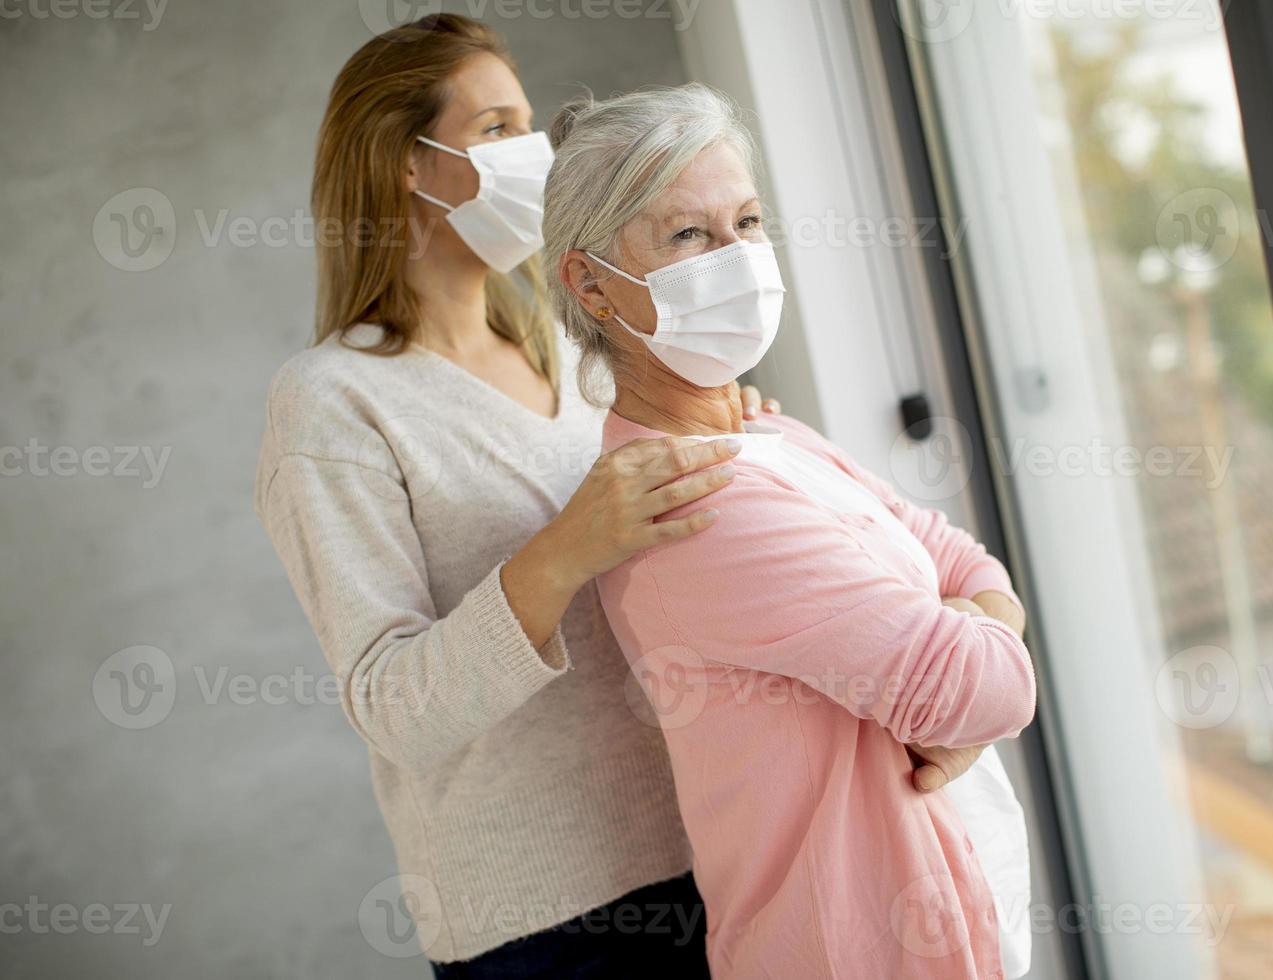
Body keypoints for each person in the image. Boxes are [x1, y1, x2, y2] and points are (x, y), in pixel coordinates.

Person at [254, 15, 978, 978]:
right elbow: (392, 704)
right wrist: (564, 550)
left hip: (723, 856)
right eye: (497, 129)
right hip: (548, 924)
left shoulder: (577, 356)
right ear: (406, 165)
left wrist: (719, 425)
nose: (535, 157)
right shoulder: (332, 405)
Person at [544, 82, 1037, 979]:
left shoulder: (769, 434)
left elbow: (970, 562)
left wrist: (973, 644)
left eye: (747, 222)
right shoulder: (699, 504)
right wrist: (973, 664)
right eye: (687, 234)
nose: (732, 258)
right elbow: (988, 688)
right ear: (589, 283)